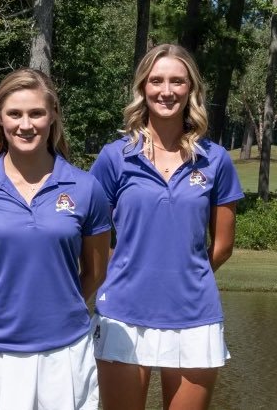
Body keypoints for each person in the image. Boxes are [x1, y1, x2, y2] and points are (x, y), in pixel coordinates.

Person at [0, 68, 111, 410]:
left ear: (53, 116)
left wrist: (57, 307)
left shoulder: (86, 188)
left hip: (63, 350)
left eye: (36, 113)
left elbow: (96, 272)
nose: (25, 124)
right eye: (14, 114)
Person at [89, 44, 243, 410]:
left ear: (191, 89)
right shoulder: (114, 158)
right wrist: (122, 271)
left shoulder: (215, 159)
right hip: (122, 312)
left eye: (177, 81)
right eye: (156, 80)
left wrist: (184, 277)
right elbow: (92, 237)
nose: (166, 91)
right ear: (143, 87)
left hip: (194, 314)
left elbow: (223, 245)